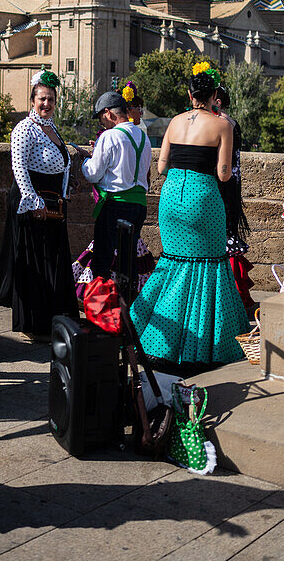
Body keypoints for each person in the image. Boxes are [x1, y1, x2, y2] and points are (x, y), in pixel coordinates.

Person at [130, 64, 249, 366]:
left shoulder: (174, 122)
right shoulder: (222, 125)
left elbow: (160, 168)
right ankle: (204, 344)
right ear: (214, 95)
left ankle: (155, 334)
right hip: (202, 198)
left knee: (172, 264)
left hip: (171, 197)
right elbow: (224, 174)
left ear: (189, 93)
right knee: (207, 266)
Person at [0, 70, 77, 340]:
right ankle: (34, 325)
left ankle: (53, 320)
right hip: (34, 205)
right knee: (36, 263)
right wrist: (34, 203)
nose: (47, 104)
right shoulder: (24, 128)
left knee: (53, 263)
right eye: (42, 99)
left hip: (54, 204)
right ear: (32, 100)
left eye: (51, 100)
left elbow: (62, 162)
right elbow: (18, 168)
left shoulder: (51, 127)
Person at [81, 90, 153, 289]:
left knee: (103, 259)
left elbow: (93, 174)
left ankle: (102, 307)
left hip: (115, 206)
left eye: (101, 118)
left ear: (109, 113)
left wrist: (86, 160)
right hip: (138, 206)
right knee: (128, 260)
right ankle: (127, 305)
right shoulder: (143, 137)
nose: (101, 123)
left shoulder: (109, 136)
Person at [213, 85, 254, 309]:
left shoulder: (223, 123)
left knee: (223, 234)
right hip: (230, 186)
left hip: (223, 186)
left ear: (217, 102)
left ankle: (230, 294)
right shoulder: (230, 123)